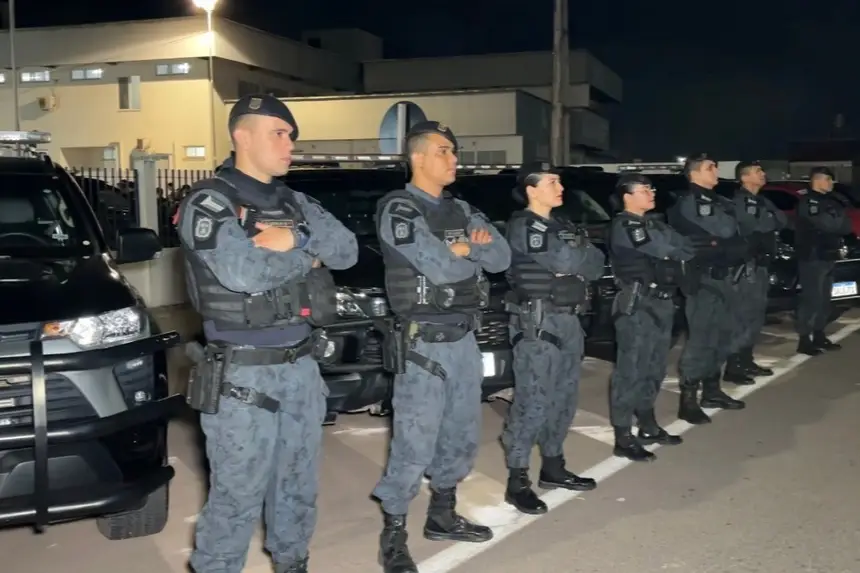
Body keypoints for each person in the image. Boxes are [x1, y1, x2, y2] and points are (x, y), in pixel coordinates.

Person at [177, 94, 359, 573]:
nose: (290, 145)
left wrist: (295, 240)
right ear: (242, 135)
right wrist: (306, 254)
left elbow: (345, 249)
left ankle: (293, 564)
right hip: (243, 378)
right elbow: (242, 271)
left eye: (291, 135)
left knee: (298, 488)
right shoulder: (209, 202)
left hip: (301, 367)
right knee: (236, 497)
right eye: (279, 133)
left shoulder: (296, 202)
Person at [371, 121, 511, 573]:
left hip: (464, 339)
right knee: (414, 442)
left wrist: (464, 249)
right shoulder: (398, 209)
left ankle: (443, 515)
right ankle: (393, 534)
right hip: (423, 345)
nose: (455, 159)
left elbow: (503, 257)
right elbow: (438, 266)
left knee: (462, 435)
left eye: (455, 151)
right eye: (444, 151)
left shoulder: (461, 208)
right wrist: (471, 251)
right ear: (418, 157)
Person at [500, 163, 606, 514]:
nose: (560, 186)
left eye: (559, 180)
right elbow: (563, 257)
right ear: (531, 189)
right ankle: (517, 480)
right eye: (551, 181)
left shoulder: (561, 226)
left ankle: (553, 465)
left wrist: (575, 260)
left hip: (569, 320)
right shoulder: (523, 226)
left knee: (564, 397)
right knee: (533, 401)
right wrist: (573, 259)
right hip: (538, 323)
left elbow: (594, 262)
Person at [607, 173, 695, 461]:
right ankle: (623, 435)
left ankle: (647, 423)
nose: (651, 193)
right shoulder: (624, 225)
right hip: (637, 303)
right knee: (630, 369)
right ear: (627, 196)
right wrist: (670, 250)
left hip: (662, 302)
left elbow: (687, 248)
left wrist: (670, 250)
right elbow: (660, 248)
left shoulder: (653, 224)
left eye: (651, 189)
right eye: (644, 190)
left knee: (655, 366)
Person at [667, 154, 747, 425]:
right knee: (701, 340)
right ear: (694, 174)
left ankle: (712, 391)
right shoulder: (692, 203)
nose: (716, 170)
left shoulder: (718, 202)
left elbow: (739, 228)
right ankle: (687, 400)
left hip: (723, 278)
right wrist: (730, 231)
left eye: (715, 165)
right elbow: (726, 229)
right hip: (702, 281)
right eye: (709, 167)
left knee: (722, 336)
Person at [723, 161, 787, 383]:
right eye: (758, 172)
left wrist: (768, 218)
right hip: (746, 267)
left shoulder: (762, 200)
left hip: (761, 265)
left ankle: (746, 359)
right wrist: (768, 218)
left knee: (756, 316)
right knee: (742, 316)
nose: (763, 175)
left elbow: (781, 220)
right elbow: (755, 225)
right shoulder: (740, 201)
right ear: (744, 177)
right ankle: (733, 366)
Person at [794, 166, 852, 355]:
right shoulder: (808, 202)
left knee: (824, 300)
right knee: (811, 299)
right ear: (818, 181)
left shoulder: (829, 201)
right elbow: (828, 224)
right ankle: (804, 340)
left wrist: (835, 220)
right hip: (813, 257)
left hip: (828, 256)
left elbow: (846, 225)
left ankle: (819, 335)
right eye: (828, 179)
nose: (831, 183)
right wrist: (835, 220)